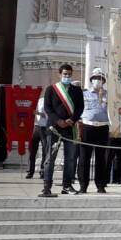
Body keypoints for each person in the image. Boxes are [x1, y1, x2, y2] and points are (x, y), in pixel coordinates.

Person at [40, 64, 84, 197]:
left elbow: (80, 107)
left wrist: (72, 119)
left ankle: (67, 185)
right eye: (65, 74)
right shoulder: (51, 89)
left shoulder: (77, 90)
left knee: (70, 158)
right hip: (54, 128)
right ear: (60, 74)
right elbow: (48, 108)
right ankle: (47, 186)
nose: (67, 76)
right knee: (50, 158)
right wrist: (59, 121)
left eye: (69, 74)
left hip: (70, 128)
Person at [78, 68, 109, 194]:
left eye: (100, 79)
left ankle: (100, 185)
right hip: (87, 126)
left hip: (103, 127)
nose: (97, 80)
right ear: (91, 80)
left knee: (101, 158)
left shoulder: (108, 94)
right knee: (84, 157)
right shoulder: (84, 93)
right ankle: (83, 185)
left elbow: (114, 110)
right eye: (95, 78)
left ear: (103, 81)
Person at [26, 94, 47, 179]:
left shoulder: (52, 101)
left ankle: (42, 171)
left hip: (45, 127)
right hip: (36, 127)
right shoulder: (40, 100)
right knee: (32, 150)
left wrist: (38, 113)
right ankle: (30, 171)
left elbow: (49, 115)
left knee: (45, 150)